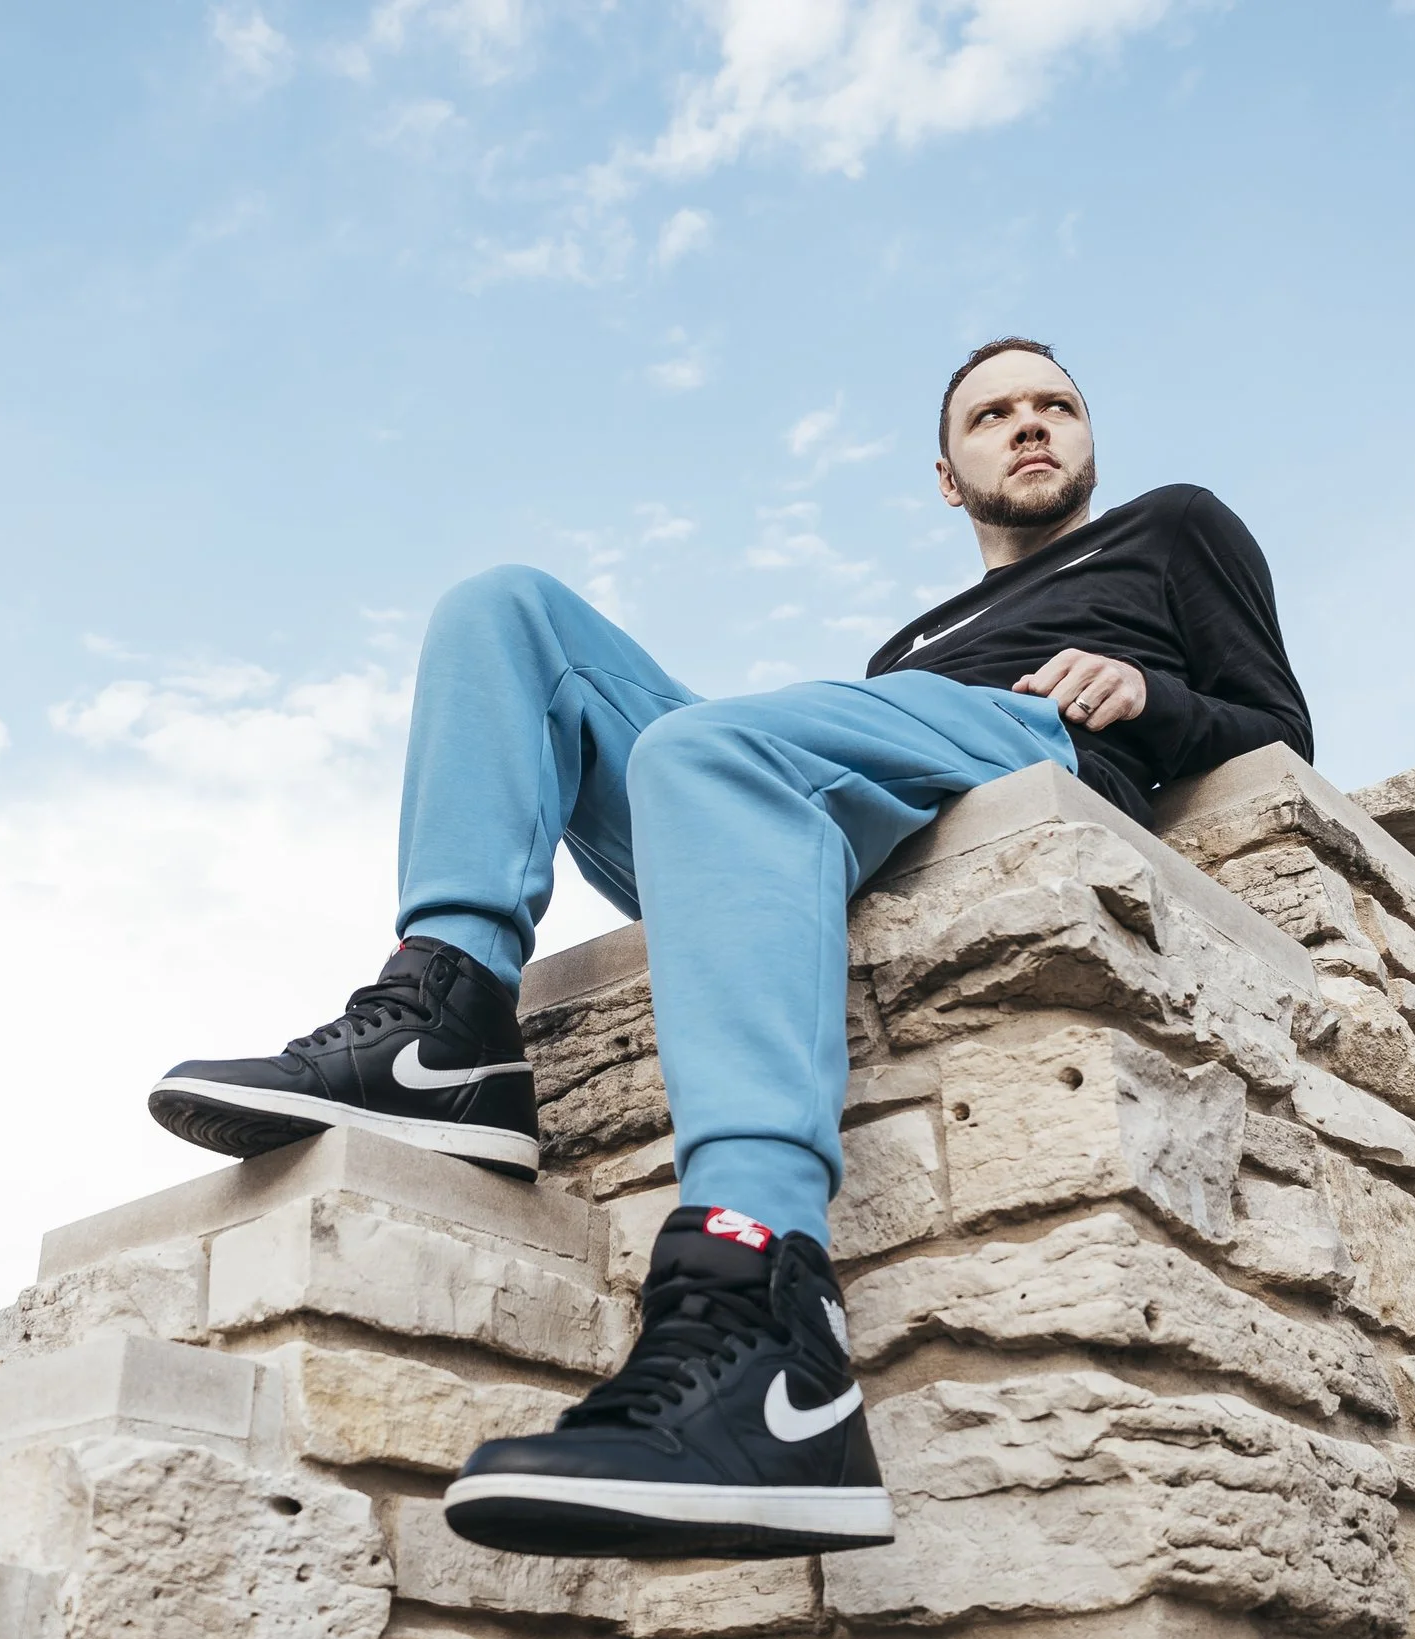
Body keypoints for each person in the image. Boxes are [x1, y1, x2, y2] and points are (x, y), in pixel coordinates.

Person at [148, 338, 1314, 1562]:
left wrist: (1145, 692)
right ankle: (447, 1012)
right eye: (993, 415)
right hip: (850, 791)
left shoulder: (1172, 527)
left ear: (1086, 435)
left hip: (1036, 745)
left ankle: (764, 1323)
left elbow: (1278, 729)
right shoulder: (909, 643)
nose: (1029, 425)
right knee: (504, 609)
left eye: (1055, 405)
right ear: (944, 473)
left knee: (699, 749)